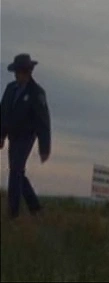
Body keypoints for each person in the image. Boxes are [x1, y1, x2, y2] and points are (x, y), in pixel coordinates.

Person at [0, 53, 51, 219]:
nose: (17, 75)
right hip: (13, 136)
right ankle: (35, 207)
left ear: (28, 72)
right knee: (18, 172)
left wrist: (44, 148)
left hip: (27, 136)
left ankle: (13, 213)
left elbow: (43, 121)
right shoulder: (10, 89)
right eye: (16, 72)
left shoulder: (36, 93)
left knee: (15, 170)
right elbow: (3, 113)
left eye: (20, 71)